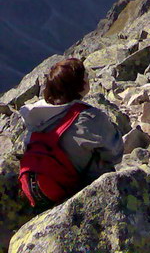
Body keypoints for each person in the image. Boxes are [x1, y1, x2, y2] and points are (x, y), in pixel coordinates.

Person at [19, 58, 124, 208]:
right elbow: (115, 153)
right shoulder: (89, 117)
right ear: (77, 85)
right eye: (85, 77)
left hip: (38, 188)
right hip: (72, 185)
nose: (88, 79)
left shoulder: (33, 116)